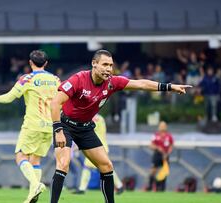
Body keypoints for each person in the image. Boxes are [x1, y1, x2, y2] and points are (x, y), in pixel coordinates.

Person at [50, 50, 191, 203]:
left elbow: (141, 84)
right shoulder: (79, 79)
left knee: (107, 166)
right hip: (64, 125)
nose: (108, 69)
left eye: (110, 65)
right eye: (104, 64)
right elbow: (55, 103)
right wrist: (58, 130)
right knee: (63, 164)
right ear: (94, 64)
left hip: (85, 128)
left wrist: (169, 87)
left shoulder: (112, 82)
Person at [0, 50, 60, 203]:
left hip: (33, 125)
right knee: (36, 160)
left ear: (30, 63)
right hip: (50, 126)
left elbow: (9, 98)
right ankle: (31, 196)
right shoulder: (56, 80)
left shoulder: (27, 79)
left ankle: (35, 184)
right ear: (46, 63)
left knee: (20, 156)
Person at [73, 114, 124, 195]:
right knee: (107, 167)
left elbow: (87, 131)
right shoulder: (100, 118)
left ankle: (82, 188)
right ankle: (120, 186)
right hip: (101, 146)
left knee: (88, 167)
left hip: (96, 147)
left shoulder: (91, 118)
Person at [146, 121, 174, 192]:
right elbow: (151, 145)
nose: (163, 127)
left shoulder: (169, 136)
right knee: (153, 170)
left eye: (164, 126)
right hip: (157, 154)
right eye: (161, 126)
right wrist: (158, 148)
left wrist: (167, 153)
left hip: (165, 155)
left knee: (164, 171)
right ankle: (150, 185)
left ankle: (161, 187)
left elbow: (171, 146)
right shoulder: (156, 135)